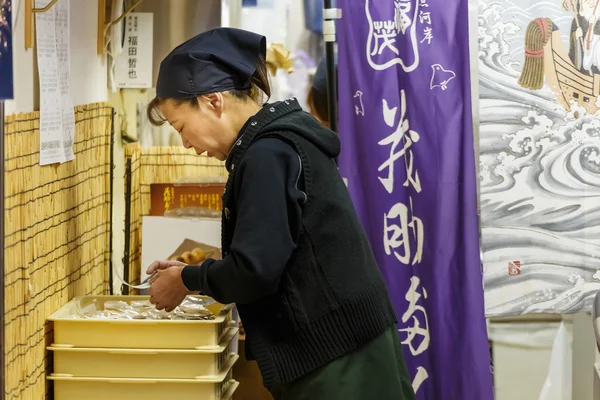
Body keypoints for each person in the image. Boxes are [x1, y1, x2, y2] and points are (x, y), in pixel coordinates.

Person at [145, 27, 415, 400]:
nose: (187, 144)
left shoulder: (267, 154)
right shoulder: (276, 143)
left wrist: (187, 279)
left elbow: (255, 270)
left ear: (213, 102)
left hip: (336, 356)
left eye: (181, 127)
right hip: (344, 342)